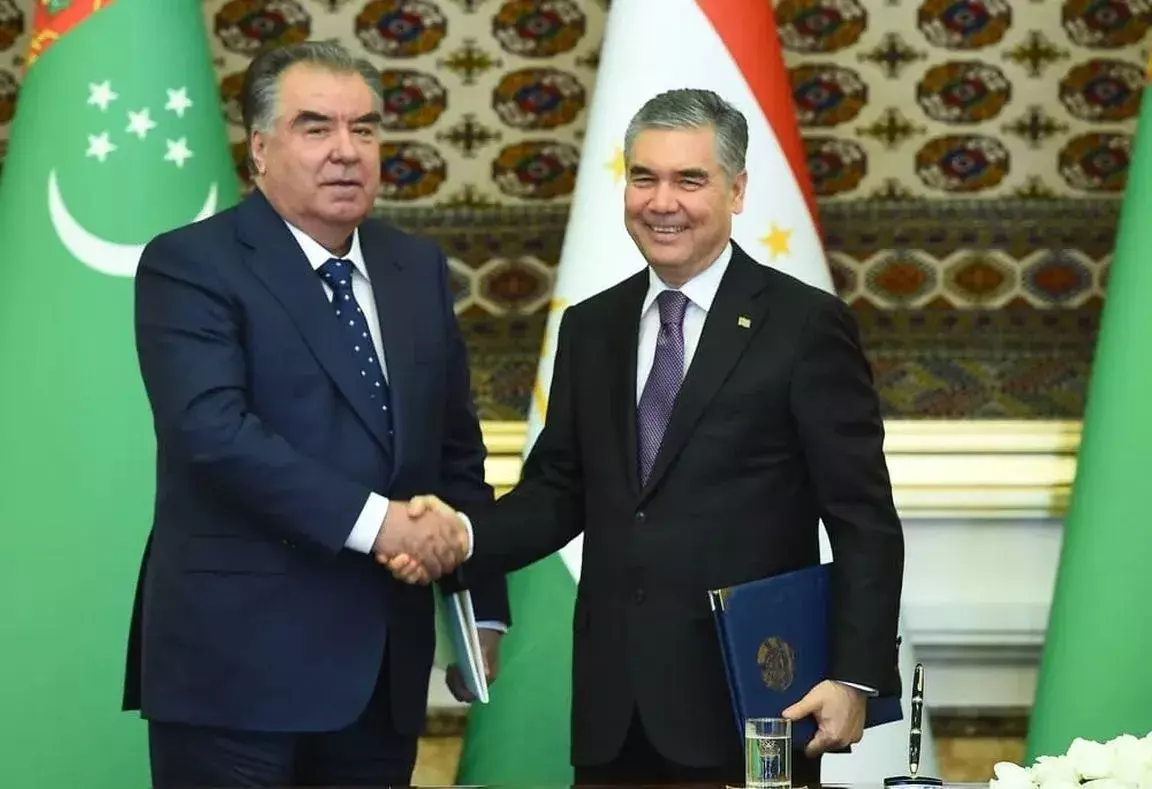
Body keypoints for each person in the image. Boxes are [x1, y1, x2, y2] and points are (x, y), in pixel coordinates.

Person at [389, 88, 905, 785]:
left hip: (754, 702)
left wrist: (853, 676)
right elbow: (558, 491)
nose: (662, 202)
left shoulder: (804, 326)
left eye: (689, 180)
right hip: (613, 713)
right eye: (644, 178)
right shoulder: (591, 327)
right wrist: (460, 535)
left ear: (736, 190)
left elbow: (863, 517)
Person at [121, 40, 508, 788]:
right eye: (316, 127)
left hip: (380, 677)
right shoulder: (190, 264)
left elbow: (455, 452)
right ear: (260, 149)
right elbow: (213, 434)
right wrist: (382, 524)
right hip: (236, 675)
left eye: (364, 129)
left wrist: (478, 611)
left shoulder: (416, 267)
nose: (346, 151)